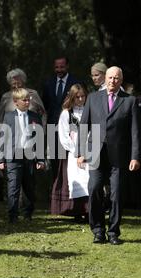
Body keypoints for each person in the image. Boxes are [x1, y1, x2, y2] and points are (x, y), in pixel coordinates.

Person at [78, 66, 141, 245]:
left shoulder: (129, 101)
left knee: (116, 194)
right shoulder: (93, 98)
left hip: (119, 155)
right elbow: (84, 126)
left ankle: (113, 232)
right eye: (110, 78)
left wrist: (135, 156)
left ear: (121, 81)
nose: (112, 81)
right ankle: (98, 230)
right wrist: (80, 152)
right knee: (95, 189)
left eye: (116, 78)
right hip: (95, 153)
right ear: (105, 78)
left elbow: (135, 131)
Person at [0, 88, 45, 223]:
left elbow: (40, 139)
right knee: (13, 186)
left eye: (28, 99)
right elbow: (3, 137)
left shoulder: (35, 117)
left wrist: (40, 159)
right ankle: (12, 215)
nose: (27, 102)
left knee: (29, 186)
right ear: (15, 102)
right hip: (13, 155)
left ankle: (28, 213)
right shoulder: (8, 117)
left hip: (29, 155)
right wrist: (1, 158)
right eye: (24, 100)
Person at [51, 84, 89, 221]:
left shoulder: (89, 111)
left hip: (89, 153)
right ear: (72, 98)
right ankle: (76, 211)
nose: (80, 99)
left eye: (82, 96)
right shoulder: (66, 113)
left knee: (89, 180)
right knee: (74, 180)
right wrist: (77, 151)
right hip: (72, 154)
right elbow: (63, 136)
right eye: (77, 97)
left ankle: (89, 211)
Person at [42, 57, 81, 179]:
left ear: (67, 66)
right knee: (55, 161)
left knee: (69, 159)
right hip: (53, 127)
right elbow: (45, 105)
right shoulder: (48, 83)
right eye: (57, 67)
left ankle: (70, 192)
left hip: (71, 127)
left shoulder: (75, 82)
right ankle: (57, 192)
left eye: (62, 67)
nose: (59, 69)